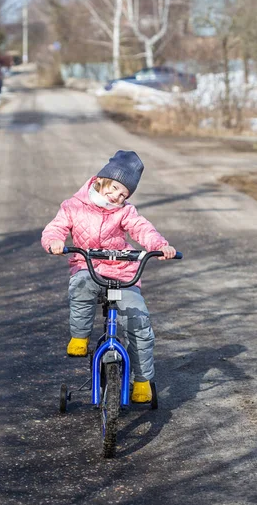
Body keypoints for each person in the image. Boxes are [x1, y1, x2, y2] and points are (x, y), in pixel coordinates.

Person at [41, 150, 176, 403]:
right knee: (80, 285)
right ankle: (79, 337)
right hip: (88, 265)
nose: (116, 196)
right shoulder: (72, 206)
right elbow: (56, 227)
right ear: (102, 180)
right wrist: (55, 241)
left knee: (138, 321)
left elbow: (142, 229)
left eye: (123, 194)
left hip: (122, 271)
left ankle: (143, 381)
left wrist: (160, 246)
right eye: (114, 188)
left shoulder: (125, 212)